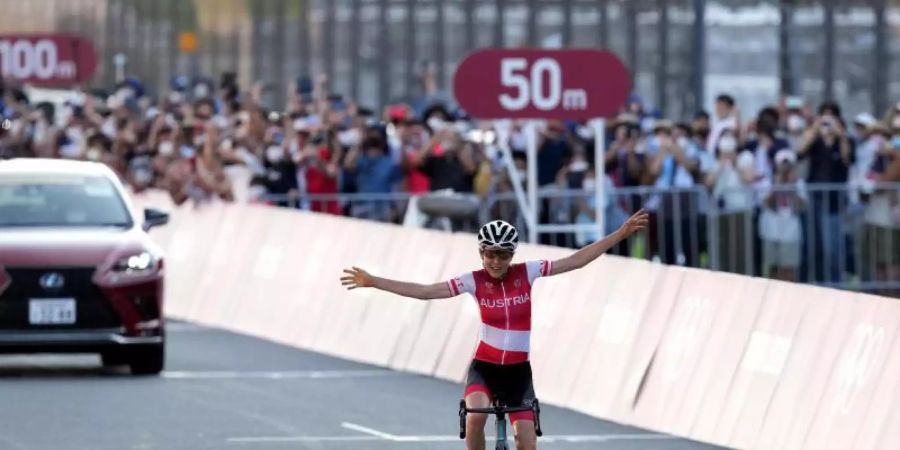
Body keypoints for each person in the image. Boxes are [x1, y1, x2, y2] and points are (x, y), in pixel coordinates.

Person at [339, 211, 649, 450]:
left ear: (512, 255)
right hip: (485, 369)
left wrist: (620, 234)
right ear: (480, 253)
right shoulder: (473, 280)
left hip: (517, 373)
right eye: (489, 253)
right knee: (475, 417)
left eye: (503, 254)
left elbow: (576, 261)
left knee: (526, 443)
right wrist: (375, 281)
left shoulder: (526, 272)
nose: (495, 261)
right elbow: (425, 291)